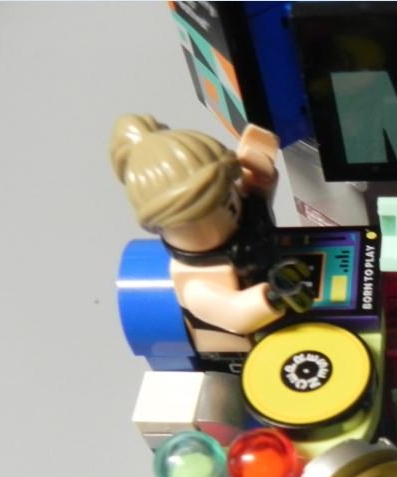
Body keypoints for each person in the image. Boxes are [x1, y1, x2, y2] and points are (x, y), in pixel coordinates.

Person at [110, 114, 310, 352]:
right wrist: (274, 296)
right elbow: (236, 313)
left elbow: (256, 184)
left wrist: (260, 163)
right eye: (203, 215)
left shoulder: (248, 213)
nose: (229, 210)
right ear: (163, 227)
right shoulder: (197, 285)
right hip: (261, 342)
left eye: (227, 197)